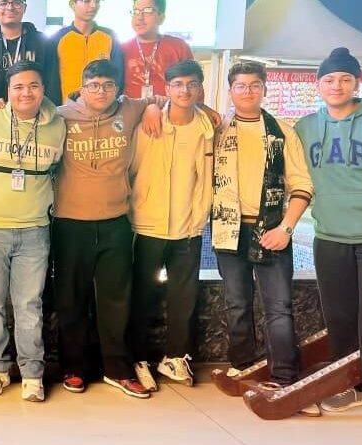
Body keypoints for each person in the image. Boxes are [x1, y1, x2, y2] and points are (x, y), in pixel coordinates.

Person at [294, 47, 362, 441]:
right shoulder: (306, 127)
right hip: (330, 237)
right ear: (317, 84)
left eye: (344, 78)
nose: (336, 85)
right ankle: (350, 385)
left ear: (357, 82)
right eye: (329, 79)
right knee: (340, 320)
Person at [211, 61, 317, 416]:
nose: (248, 92)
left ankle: (285, 377)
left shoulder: (282, 131)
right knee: (236, 303)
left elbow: (302, 184)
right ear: (230, 91)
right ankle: (244, 365)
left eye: (255, 85)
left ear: (265, 89)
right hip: (228, 228)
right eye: (240, 86)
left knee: (279, 306)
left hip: (271, 228)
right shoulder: (217, 129)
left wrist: (285, 228)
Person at [52, 59, 162, 399]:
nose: (101, 91)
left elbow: (158, 99)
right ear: (82, 88)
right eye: (94, 85)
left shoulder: (129, 109)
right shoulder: (60, 115)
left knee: (117, 300)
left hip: (116, 222)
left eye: (108, 85)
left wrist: (153, 106)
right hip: (70, 223)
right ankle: (74, 368)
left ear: (118, 88)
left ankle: (117, 369)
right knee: (71, 299)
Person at [0, 61, 65, 402]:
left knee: (29, 304)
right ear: (8, 91)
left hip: (34, 229)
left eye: (33, 85)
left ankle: (32, 373)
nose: (26, 93)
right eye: (18, 86)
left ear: (43, 89)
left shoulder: (58, 127)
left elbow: (59, 172)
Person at [127, 60, 213, 392]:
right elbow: (132, 169)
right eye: (177, 84)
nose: (185, 90)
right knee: (142, 296)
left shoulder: (208, 129)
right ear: (167, 88)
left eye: (192, 84)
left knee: (184, 298)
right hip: (147, 226)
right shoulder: (148, 124)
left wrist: (200, 216)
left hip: (188, 227)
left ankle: (176, 357)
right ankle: (139, 359)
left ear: (200, 88)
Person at [0, 0, 60, 105]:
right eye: (3, 3)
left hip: (37, 111)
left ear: (24, 8)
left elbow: (52, 83)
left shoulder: (44, 42)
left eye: (16, 2)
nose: (10, 7)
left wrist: (49, 109)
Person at [52, 0, 125, 103]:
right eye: (87, 1)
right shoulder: (58, 39)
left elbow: (119, 77)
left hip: (104, 107)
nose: (93, 5)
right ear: (72, 4)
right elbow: (51, 80)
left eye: (97, 1)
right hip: (68, 108)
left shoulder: (110, 37)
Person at [121, 0, 195, 99]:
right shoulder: (121, 49)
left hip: (169, 107)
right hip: (130, 107)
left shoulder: (179, 47)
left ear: (161, 18)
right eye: (136, 11)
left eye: (147, 11)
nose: (139, 17)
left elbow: (194, 86)